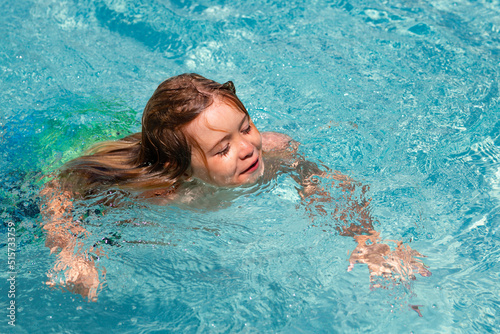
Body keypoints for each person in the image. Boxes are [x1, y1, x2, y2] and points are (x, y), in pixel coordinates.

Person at [40, 73, 430, 301]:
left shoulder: (273, 151)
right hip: (65, 147)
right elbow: (56, 187)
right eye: (222, 148)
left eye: (245, 127)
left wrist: (366, 239)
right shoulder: (156, 193)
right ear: (181, 168)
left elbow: (321, 179)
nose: (246, 148)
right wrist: (70, 249)